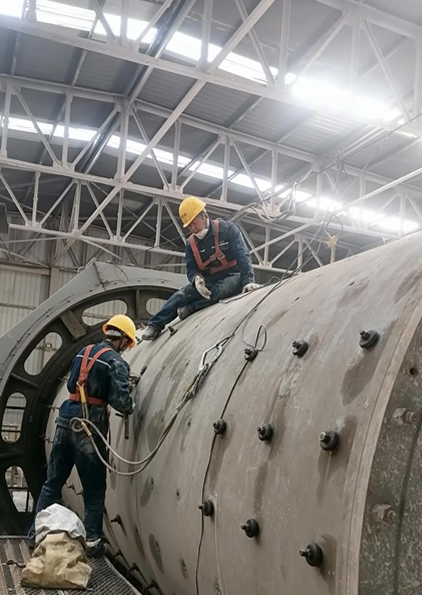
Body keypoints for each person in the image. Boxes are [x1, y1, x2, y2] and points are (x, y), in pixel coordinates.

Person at [30, 314, 136, 558]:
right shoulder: (116, 362)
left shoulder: (83, 352)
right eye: (127, 344)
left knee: (53, 481)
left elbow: (72, 386)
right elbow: (121, 402)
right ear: (123, 340)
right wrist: (129, 401)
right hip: (90, 424)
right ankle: (92, 541)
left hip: (66, 418)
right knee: (94, 487)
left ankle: (35, 534)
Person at [141, 197, 259, 340]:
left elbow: (243, 256)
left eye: (194, 223)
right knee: (182, 294)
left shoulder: (228, 230)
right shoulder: (191, 243)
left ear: (204, 215)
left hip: (233, 275)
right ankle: (154, 325)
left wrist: (248, 281)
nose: (192, 229)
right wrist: (196, 279)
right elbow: (191, 268)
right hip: (208, 280)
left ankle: (192, 308)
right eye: (189, 226)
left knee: (224, 288)